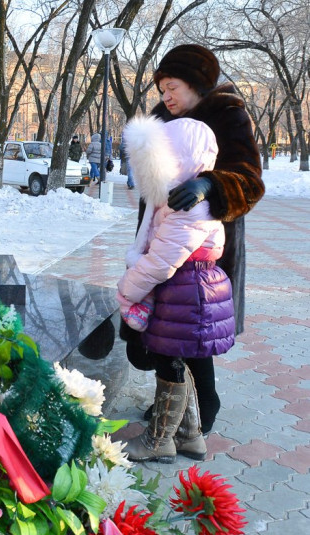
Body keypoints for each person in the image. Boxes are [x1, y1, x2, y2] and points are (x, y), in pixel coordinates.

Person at [121, 44, 265, 437]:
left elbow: (250, 180)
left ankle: (203, 403)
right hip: (162, 236)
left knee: (192, 326)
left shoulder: (227, 114)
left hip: (205, 244)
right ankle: (173, 402)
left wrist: (210, 184)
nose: (166, 96)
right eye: (162, 89)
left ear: (197, 83)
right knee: (163, 327)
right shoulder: (161, 119)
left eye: (172, 88)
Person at [118, 115, 234, 463]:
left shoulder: (189, 205)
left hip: (187, 289)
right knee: (173, 358)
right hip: (184, 289)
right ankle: (189, 436)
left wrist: (128, 289)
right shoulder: (179, 197)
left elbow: (161, 261)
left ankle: (159, 441)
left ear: (178, 158)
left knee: (170, 362)